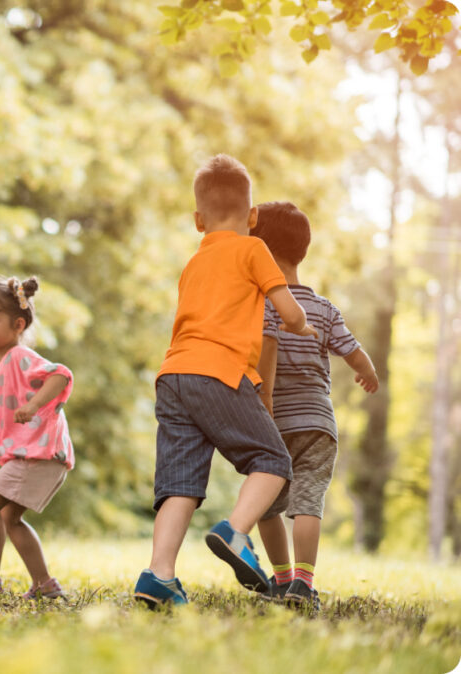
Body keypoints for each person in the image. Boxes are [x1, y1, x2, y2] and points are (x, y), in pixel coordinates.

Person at [133, 154, 317, 608]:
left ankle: (159, 575)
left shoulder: (194, 263)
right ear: (253, 218)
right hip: (218, 372)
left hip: (173, 375)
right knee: (274, 462)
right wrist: (303, 326)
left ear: (199, 220)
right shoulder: (254, 249)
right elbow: (287, 308)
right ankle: (235, 532)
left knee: (179, 484)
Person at [251, 201, 379, 608]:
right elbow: (353, 352)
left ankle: (282, 578)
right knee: (308, 501)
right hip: (318, 424)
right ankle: (303, 584)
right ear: (301, 250)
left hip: (272, 421)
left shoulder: (260, 304)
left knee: (266, 505)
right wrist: (368, 373)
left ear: (261, 250)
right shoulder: (323, 308)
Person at [0, 277, 74, 599]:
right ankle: (45, 584)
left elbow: (60, 375)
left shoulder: (20, 356)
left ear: (18, 324)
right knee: (9, 517)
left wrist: (33, 404)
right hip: (40, 456)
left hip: (39, 454)